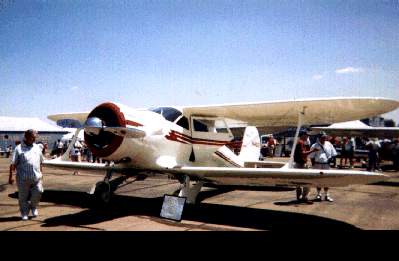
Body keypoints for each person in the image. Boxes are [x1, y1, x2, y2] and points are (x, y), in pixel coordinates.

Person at [8, 129, 44, 221]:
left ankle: (33, 206)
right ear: (26, 136)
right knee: (23, 197)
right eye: (33, 137)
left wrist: (42, 173)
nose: (34, 139)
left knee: (39, 192)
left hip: (37, 177)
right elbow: (13, 164)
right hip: (23, 178)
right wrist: (11, 176)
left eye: (35, 138)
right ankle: (24, 212)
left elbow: (40, 162)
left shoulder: (37, 147)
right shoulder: (18, 148)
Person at [309, 131, 337, 202]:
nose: (323, 139)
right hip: (317, 164)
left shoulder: (329, 144)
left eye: (324, 137)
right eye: (322, 137)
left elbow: (333, 154)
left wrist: (331, 162)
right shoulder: (314, 145)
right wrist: (314, 165)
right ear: (319, 138)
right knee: (318, 180)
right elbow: (311, 157)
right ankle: (318, 194)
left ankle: (327, 195)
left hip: (326, 164)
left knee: (327, 180)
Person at [293, 130, 319, 203]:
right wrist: (313, 150)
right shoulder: (300, 142)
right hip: (300, 164)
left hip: (299, 164)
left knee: (299, 182)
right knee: (307, 182)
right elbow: (303, 153)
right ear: (303, 135)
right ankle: (304, 197)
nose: (308, 137)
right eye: (306, 135)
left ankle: (299, 197)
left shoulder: (300, 142)